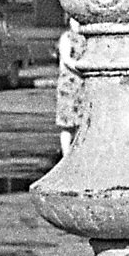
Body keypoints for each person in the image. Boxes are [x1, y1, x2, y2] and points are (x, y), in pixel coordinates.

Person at [55, 17, 86, 157]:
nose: (77, 24)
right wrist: (83, 68)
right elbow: (67, 59)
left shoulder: (86, 38)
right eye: (74, 20)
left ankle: (79, 153)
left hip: (83, 84)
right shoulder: (66, 37)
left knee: (81, 122)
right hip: (69, 84)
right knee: (67, 124)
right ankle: (66, 155)